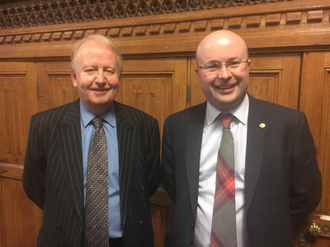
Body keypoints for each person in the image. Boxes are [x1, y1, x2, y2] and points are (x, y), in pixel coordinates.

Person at [161, 30, 322, 247]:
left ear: (248, 65)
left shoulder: (289, 124)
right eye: (212, 65)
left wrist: (266, 225)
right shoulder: (177, 126)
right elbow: (176, 188)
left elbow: (306, 194)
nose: (225, 74)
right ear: (198, 72)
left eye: (234, 63)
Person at [23, 34, 160, 247]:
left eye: (109, 70)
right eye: (90, 70)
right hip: (64, 238)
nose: (101, 79)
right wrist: (67, 215)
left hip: (128, 240)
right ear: (75, 77)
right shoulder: (45, 124)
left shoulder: (144, 124)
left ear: (119, 76)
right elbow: (35, 186)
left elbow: (148, 184)